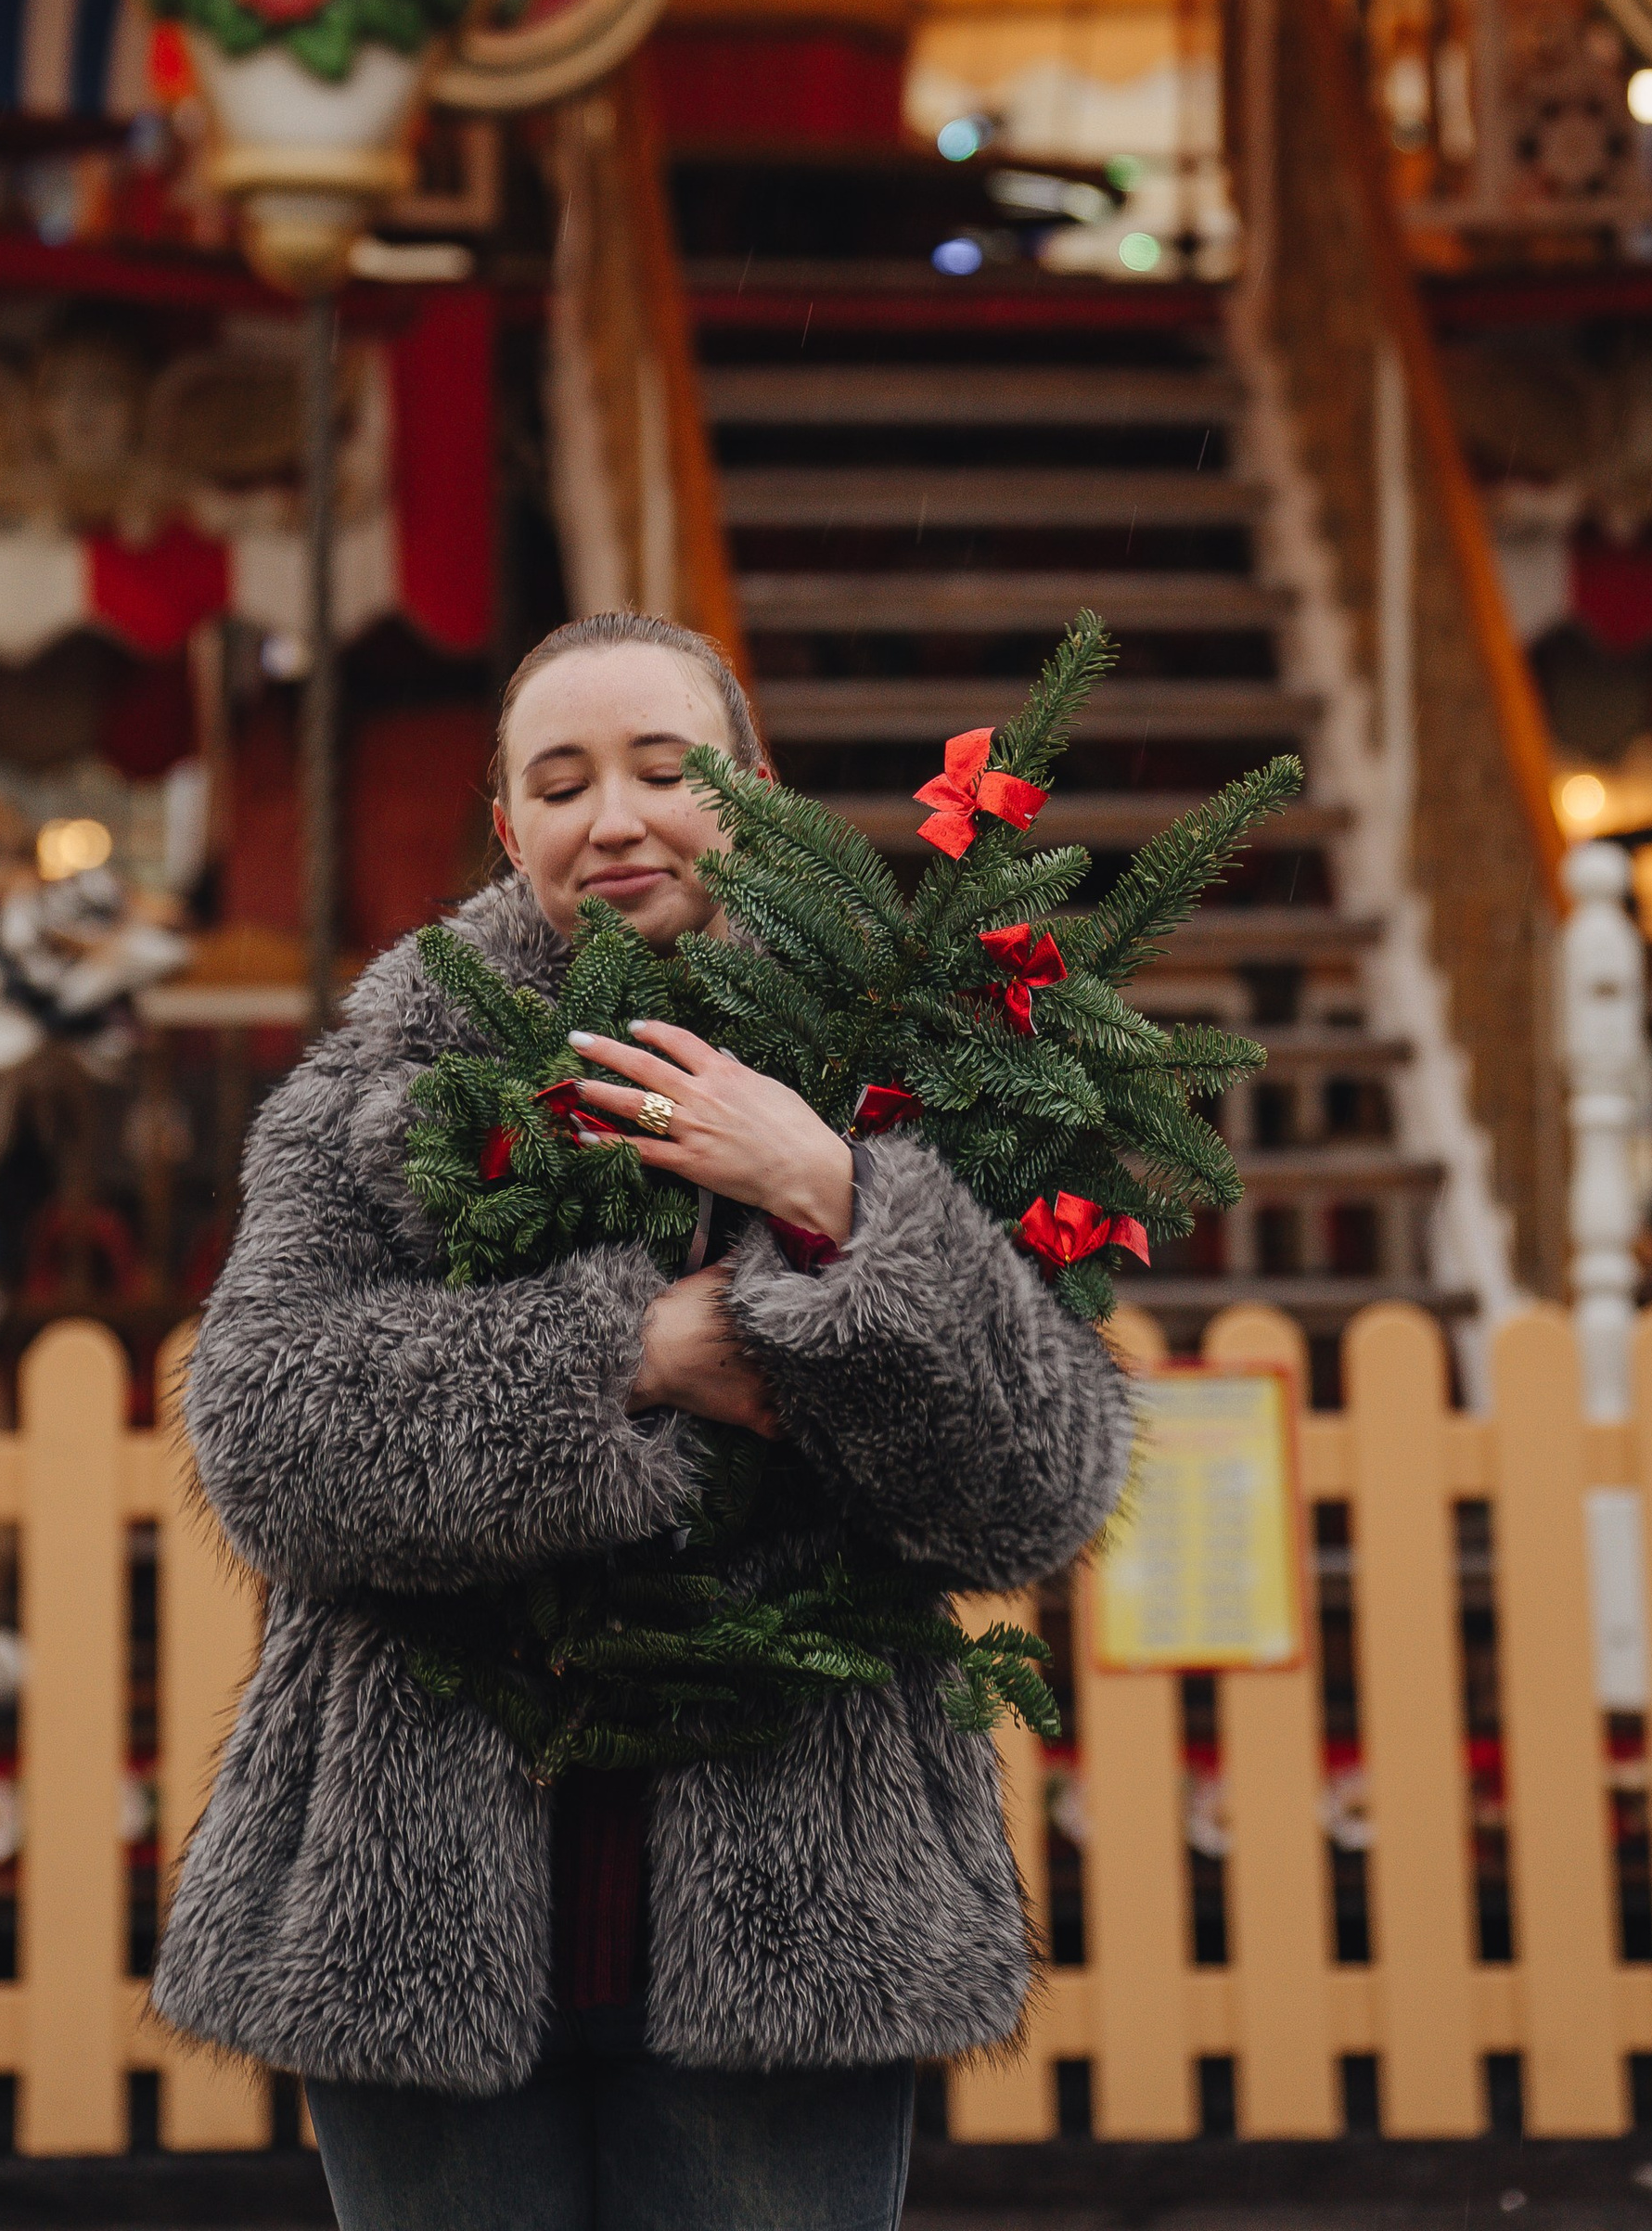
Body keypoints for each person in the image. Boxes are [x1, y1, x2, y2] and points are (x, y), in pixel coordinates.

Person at [155, 609, 1131, 2231]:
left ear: (755, 792)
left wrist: (831, 1191)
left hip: (801, 1897)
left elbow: (1031, 1492)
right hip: (415, 1901)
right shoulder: (373, 1091)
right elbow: (266, 1434)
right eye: (561, 782)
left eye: (666, 771)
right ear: (507, 829)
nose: (615, 819)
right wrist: (641, 1349)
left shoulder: (904, 1077)